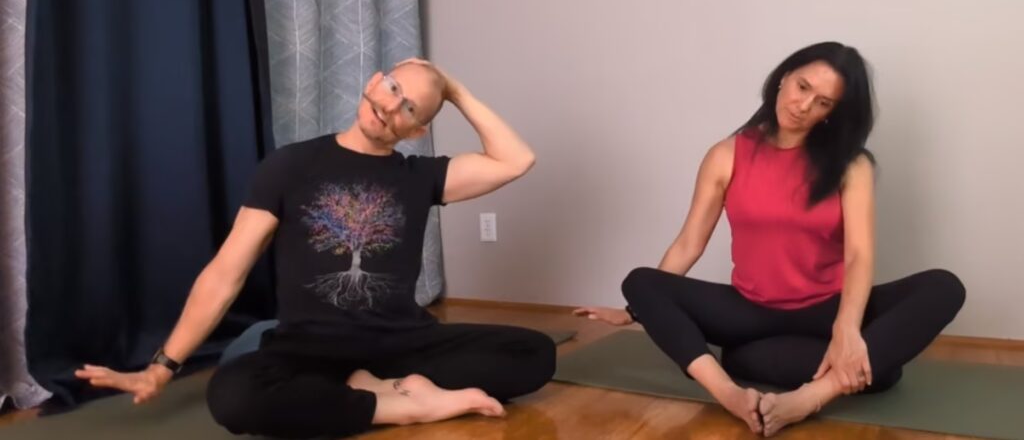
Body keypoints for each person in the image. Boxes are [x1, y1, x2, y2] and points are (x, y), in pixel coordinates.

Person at [77, 59, 556, 439]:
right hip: (310, 347)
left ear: (416, 131)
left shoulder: (422, 177)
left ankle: (371, 388)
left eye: (410, 108)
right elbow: (226, 273)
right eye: (392, 88)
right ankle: (396, 405)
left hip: (402, 343)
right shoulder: (289, 166)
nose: (391, 106)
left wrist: (453, 88)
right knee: (233, 396)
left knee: (534, 354)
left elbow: (516, 159)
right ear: (373, 82)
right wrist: (161, 368)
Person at [574, 42, 965, 437]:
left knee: (944, 287)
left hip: (827, 310)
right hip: (748, 312)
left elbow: (858, 256)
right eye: (802, 86)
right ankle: (729, 393)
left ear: (833, 112)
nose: (803, 105)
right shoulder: (726, 155)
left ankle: (811, 396)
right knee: (641, 281)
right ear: (784, 77)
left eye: (823, 102)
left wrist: (846, 330)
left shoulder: (852, 164)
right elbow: (690, 243)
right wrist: (635, 310)